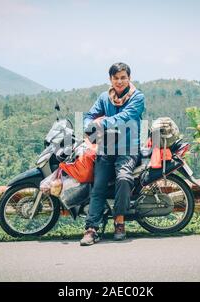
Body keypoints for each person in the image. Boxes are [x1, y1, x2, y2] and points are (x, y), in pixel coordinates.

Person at [80, 62, 145, 246]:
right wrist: (88, 125)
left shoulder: (137, 97)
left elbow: (125, 116)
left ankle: (119, 221)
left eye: (123, 77)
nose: (119, 81)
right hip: (106, 149)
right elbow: (89, 115)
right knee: (98, 186)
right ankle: (91, 229)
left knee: (124, 179)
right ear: (110, 79)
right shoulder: (104, 97)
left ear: (129, 78)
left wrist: (103, 123)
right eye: (116, 78)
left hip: (128, 149)